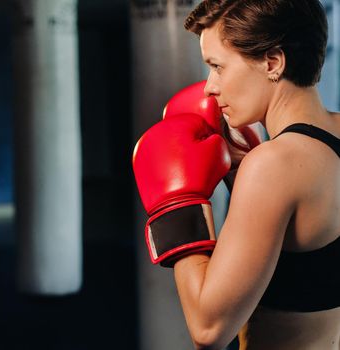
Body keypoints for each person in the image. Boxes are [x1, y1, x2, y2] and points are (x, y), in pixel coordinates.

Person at [132, 0, 340, 349]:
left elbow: (209, 330)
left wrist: (179, 204)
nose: (210, 87)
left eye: (217, 67)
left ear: (272, 62)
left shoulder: (275, 166)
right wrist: (243, 173)